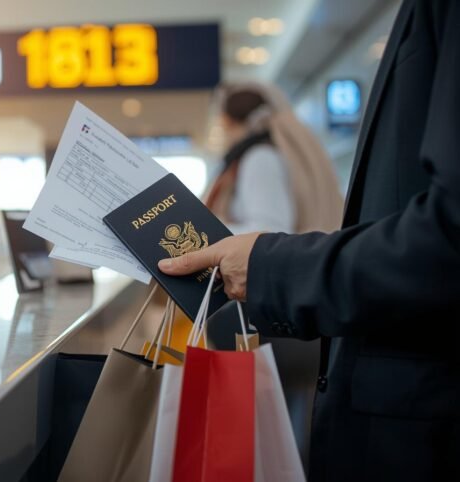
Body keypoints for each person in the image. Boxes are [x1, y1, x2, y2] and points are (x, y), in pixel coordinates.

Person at [159, 1, 460, 480]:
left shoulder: (255, 158)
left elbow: (270, 222)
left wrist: (250, 256)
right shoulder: (275, 150)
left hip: (391, 382)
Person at [205, 83, 343, 234]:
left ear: (228, 122)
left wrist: (210, 231)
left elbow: (270, 231)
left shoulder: (259, 158)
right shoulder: (265, 154)